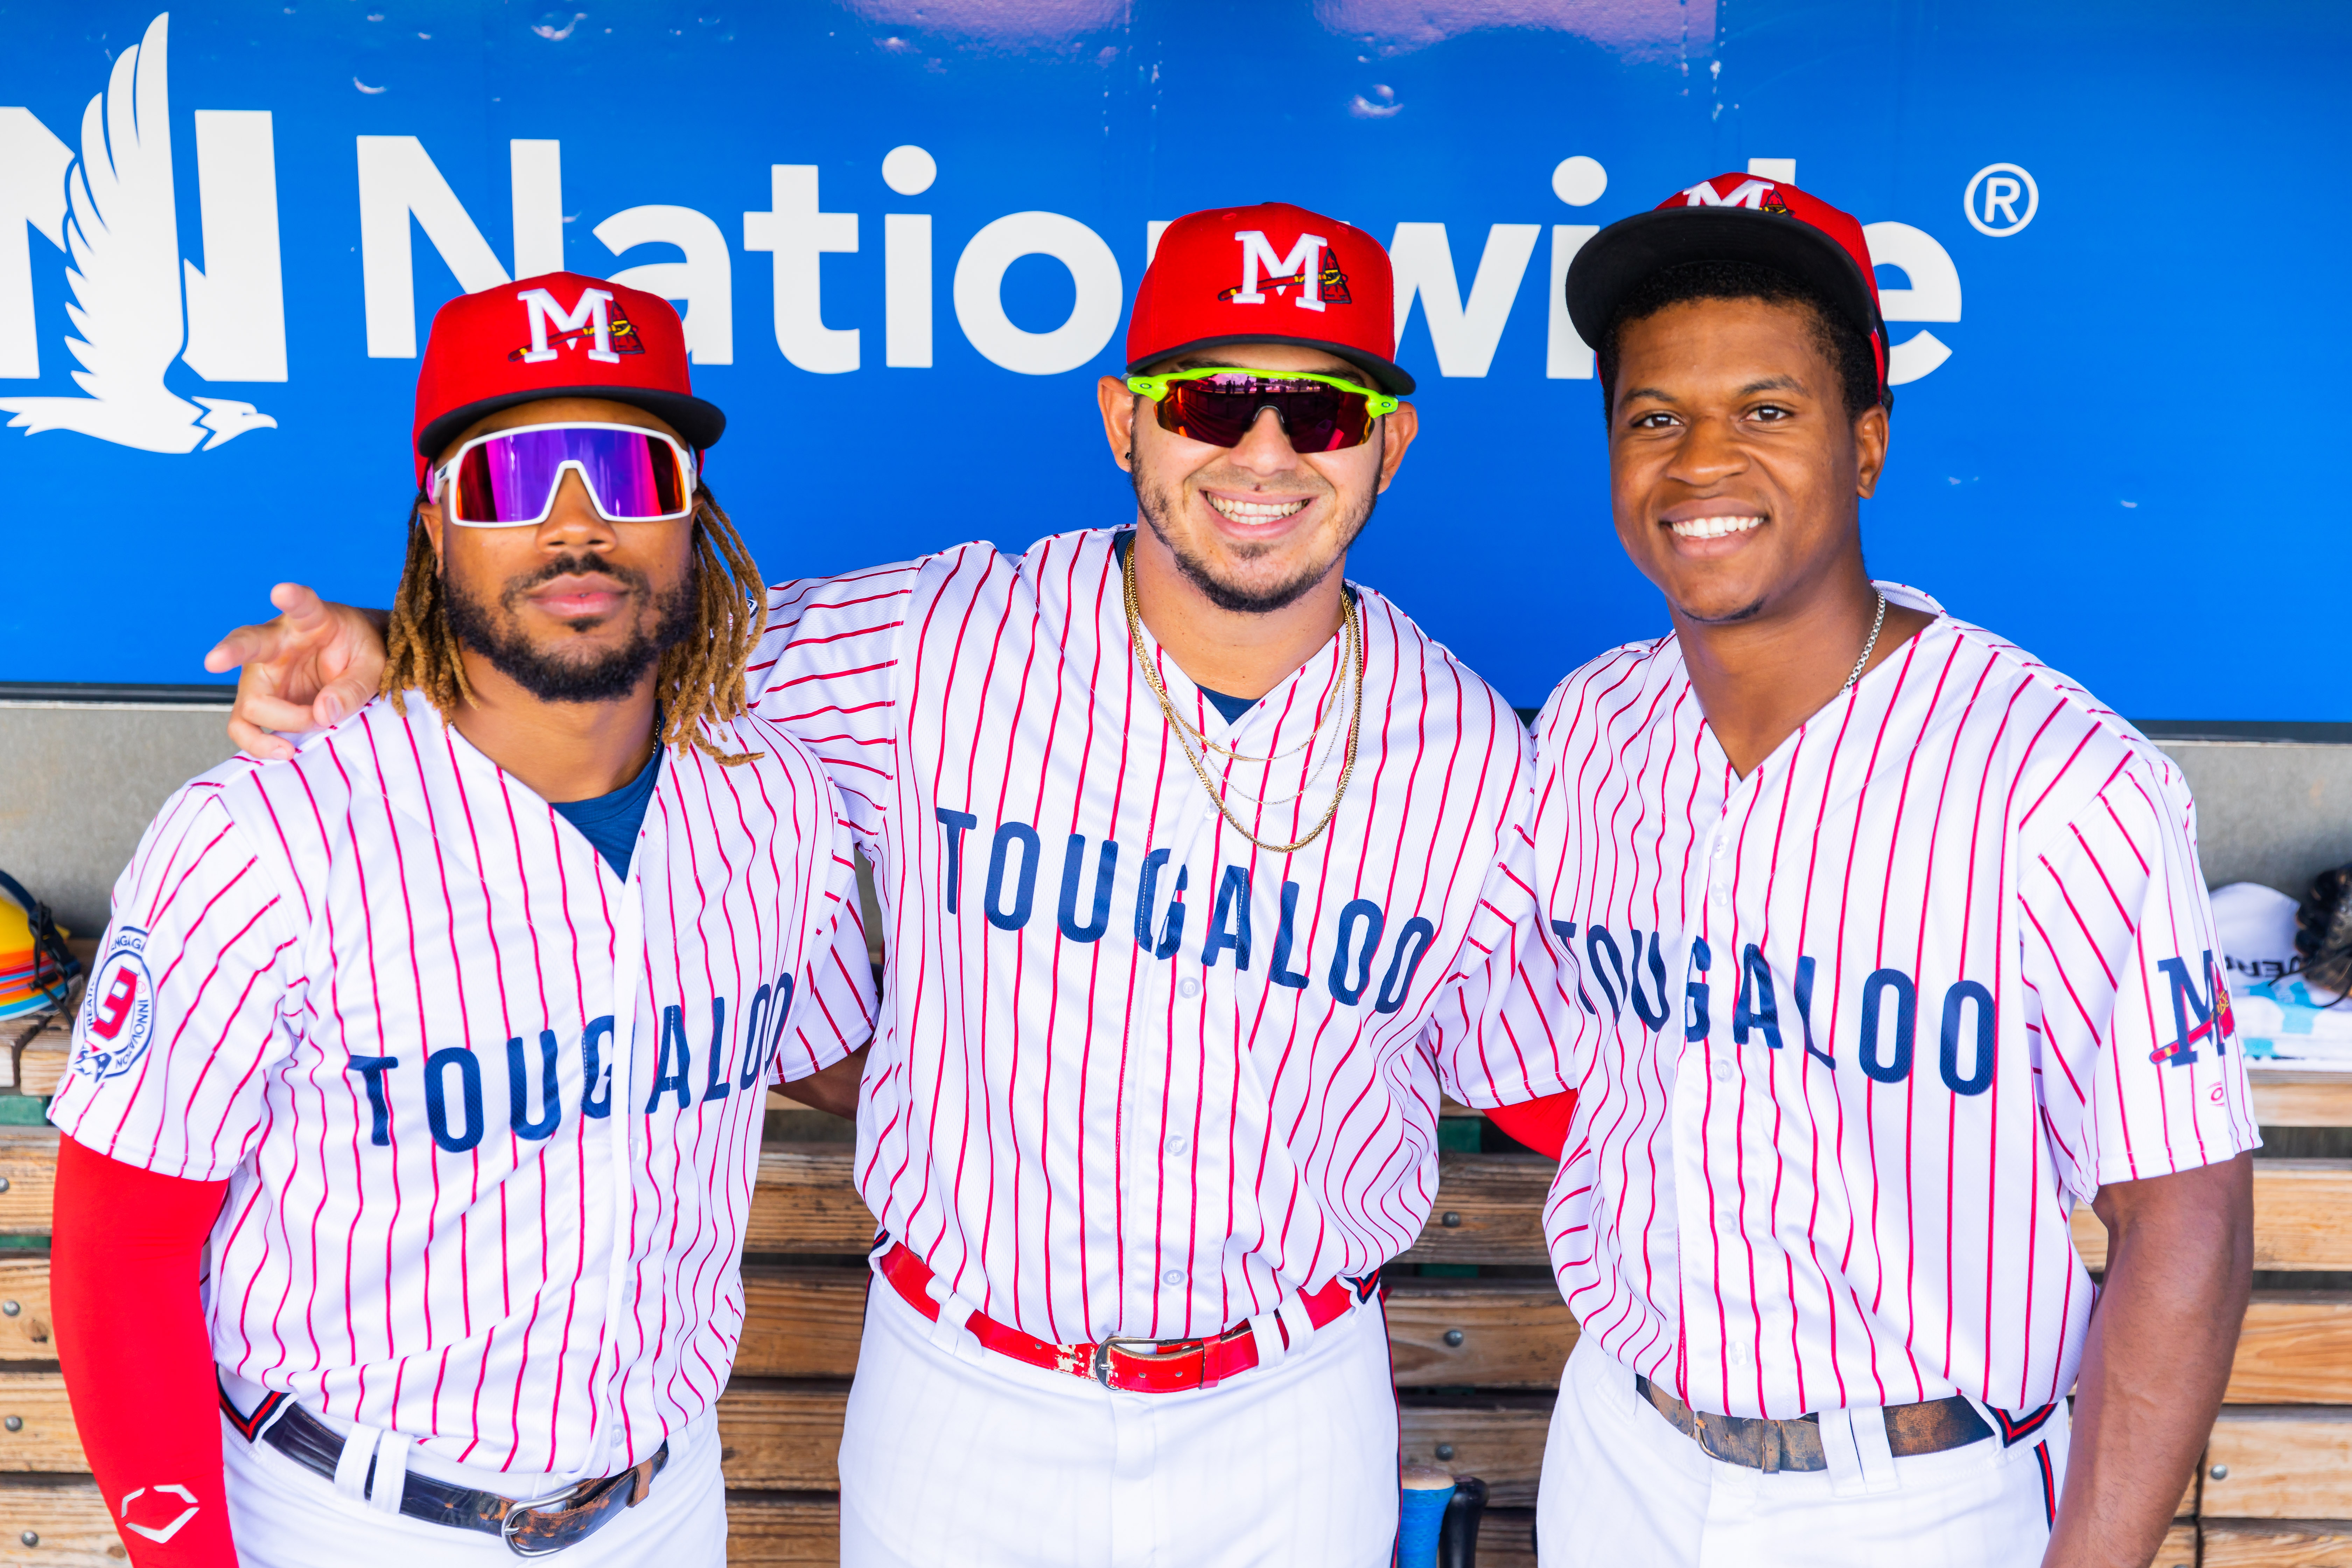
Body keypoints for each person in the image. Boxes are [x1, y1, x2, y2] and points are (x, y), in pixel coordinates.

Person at [208, 202, 1569, 1567]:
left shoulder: (1477, 761)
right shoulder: (940, 641)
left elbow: (1545, 1073)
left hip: (1288, 1403)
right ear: (1124, 421)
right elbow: (635, 661)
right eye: (1213, 397)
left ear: (1389, 444)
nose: (1263, 452)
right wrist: (397, 655)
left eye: (1323, 413)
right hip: (966, 1386)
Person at [54, 274, 876, 1566]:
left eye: (625, 467)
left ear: (691, 514)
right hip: (350, 1513)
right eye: (510, 478)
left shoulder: (772, 802)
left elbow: (832, 1053)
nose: (575, 525)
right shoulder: (263, 836)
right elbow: (121, 1252)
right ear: (438, 527)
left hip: (661, 1501)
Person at [1506, 173, 2258, 1566]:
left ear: (1866, 444)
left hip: (1922, 1490)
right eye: (1654, 418)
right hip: (1622, 1453)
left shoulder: (2062, 777)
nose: (1702, 462)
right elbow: (1532, 1044)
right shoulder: (1594, 730)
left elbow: (2186, 1216)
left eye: (1768, 412)